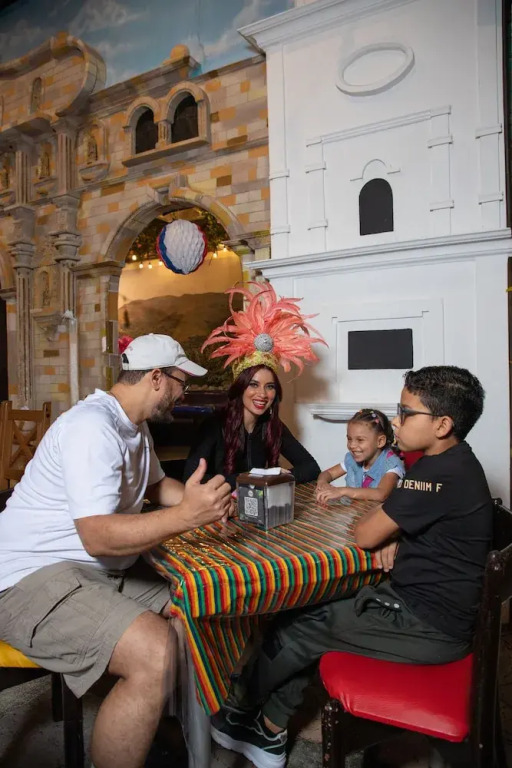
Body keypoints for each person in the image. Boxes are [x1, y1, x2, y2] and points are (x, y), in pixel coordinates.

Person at [211, 365, 493, 768]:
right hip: (429, 609)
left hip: (427, 624)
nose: (396, 420)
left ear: (443, 424)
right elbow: (404, 520)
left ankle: (243, 707)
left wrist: (388, 530)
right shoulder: (456, 463)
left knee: (298, 625)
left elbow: (364, 534)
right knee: (312, 610)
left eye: (406, 412)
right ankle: (269, 725)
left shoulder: (434, 474)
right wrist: (397, 532)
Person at [0, 333, 233, 768]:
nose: (184, 393)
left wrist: (204, 502)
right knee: (156, 651)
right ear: (157, 378)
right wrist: (188, 516)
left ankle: (154, 727)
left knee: (202, 603)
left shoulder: (134, 425)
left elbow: (157, 487)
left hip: (94, 570)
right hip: (29, 576)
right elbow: (98, 537)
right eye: (182, 383)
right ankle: (149, 712)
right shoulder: (92, 427)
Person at [183, 282, 326, 489]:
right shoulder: (214, 425)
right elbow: (191, 478)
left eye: (270, 386)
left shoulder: (272, 426)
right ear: (240, 387)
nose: (262, 394)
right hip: (219, 505)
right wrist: (255, 477)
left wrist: (273, 476)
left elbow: (311, 468)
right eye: (254, 384)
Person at [316, 408, 404, 504]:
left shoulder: (391, 465)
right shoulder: (352, 459)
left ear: (380, 441)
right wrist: (322, 483)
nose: (352, 445)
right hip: (355, 511)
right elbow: (328, 473)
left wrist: (342, 491)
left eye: (360, 440)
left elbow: (381, 494)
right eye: (349, 439)